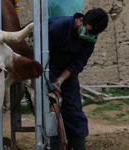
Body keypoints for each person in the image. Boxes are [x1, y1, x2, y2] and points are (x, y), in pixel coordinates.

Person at [48, 8, 109, 150]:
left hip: (68, 74)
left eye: (92, 34)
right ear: (80, 20)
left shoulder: (91, 37)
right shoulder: (58, 26)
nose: (88, 36)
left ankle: (78, 145)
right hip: (48, 67)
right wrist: (50, 81)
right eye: (87, 31)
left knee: (75, 111)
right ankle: (56, 145)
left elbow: (79, 63)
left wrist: (61, 80)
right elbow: (41, 55)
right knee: (54, 111)